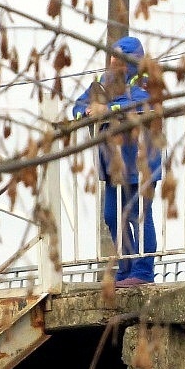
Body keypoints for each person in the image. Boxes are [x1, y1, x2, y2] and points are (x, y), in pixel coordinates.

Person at [72, 36, 163, 290]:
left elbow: (140, 105)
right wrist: (88, 111)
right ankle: (125, 269)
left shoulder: (148, 81)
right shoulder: (105, 83)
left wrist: (107, 108)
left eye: (119, 59)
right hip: (114, 164)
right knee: (112, 216)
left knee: (140, 216)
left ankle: (143, 271)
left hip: (143, 160)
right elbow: (79, 106)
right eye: (112, 58)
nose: (113, 64)